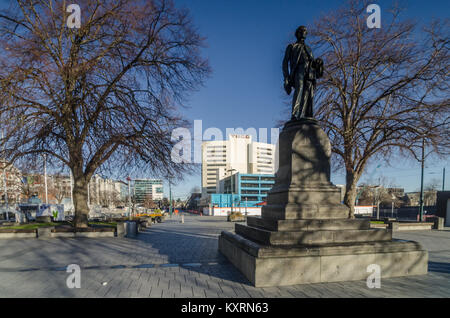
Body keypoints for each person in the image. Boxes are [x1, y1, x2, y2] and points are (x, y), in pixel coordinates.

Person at [282, 26, 323, 119]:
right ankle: (295, 114)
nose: (304, 32)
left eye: (305, 31)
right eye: (302, 31)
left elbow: (312, 62)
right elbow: (285, 63)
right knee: (299, 89)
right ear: (298, 33)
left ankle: (308, 114)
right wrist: (286, 77)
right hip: (299, 70)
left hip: (310, 72)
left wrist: (318, 63)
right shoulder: (292, 46)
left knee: (308, 92)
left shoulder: (308, 48)